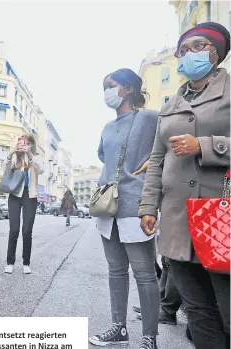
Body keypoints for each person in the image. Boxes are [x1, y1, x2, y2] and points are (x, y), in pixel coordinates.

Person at [139, 22, 230, 349]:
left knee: (228, 313)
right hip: (178, 220)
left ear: (215, 52)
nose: (186, 55)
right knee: (198, 312)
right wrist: (148, 206)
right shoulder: (170, 105)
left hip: (221, 220)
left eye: (196, 46)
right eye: (182, 51)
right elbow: (157, 160)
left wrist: (205, 146)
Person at [89, 69, 160, 349]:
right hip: (108, 207)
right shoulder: (107, 128)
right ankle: (119, 328)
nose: (106, 91)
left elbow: (170, 143)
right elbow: (102, 155)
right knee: (115, 271)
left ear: (128, 88)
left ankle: (149, 337)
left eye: (111, 85)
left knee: (145, 275)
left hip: (136, 205)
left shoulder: (148, 117)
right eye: (104, 86)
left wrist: (156, 163)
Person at [4, 133, 44, 275]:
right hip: (15, 194)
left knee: (27, 231)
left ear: (32, 144)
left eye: (27, 143)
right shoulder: (15, 156)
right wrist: (12, 153)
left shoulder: (37, 157)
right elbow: (6, 170)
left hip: (30, 195)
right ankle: (10, 262)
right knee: (14, 230)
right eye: (22, 143)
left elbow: (41, 170)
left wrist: (30, 155)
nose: (24, 145)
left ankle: (26, 263)